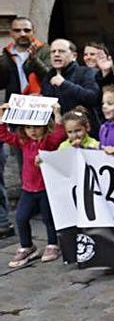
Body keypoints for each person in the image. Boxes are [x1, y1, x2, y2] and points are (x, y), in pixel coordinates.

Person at [0, 16, 50, 238]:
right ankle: (33, 201)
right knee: (24, 159)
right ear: (11, 33)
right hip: (18, 114)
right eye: (17, 30)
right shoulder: (5, 55)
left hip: (41, 111)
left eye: (26, 29)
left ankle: (47, 204)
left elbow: (49, 76)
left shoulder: (44, 50)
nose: (22, 33)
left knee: (46, 157)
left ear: (33, 31)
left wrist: (33, 60)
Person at [0, 101, 65, 267]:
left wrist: (57, 115)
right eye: (28, 128)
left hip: (45, 189)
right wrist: (2, 118)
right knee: (21, 218)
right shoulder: (24, 142)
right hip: (28, 190)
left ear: (44, 126)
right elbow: (4, 136)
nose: (33, 131)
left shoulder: (48, 142)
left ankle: (53, 244)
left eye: (36, 127)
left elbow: (59, 135)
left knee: (48, 219)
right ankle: (27, 246)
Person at [40, 39, 102, 123]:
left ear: (74, 56)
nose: (56, 54)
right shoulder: (48, 77)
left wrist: (64, 84)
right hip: (56, 130)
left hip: (82, 130)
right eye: (53, 51)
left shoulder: (86, 72)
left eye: (61, 51)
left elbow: (93, 97)